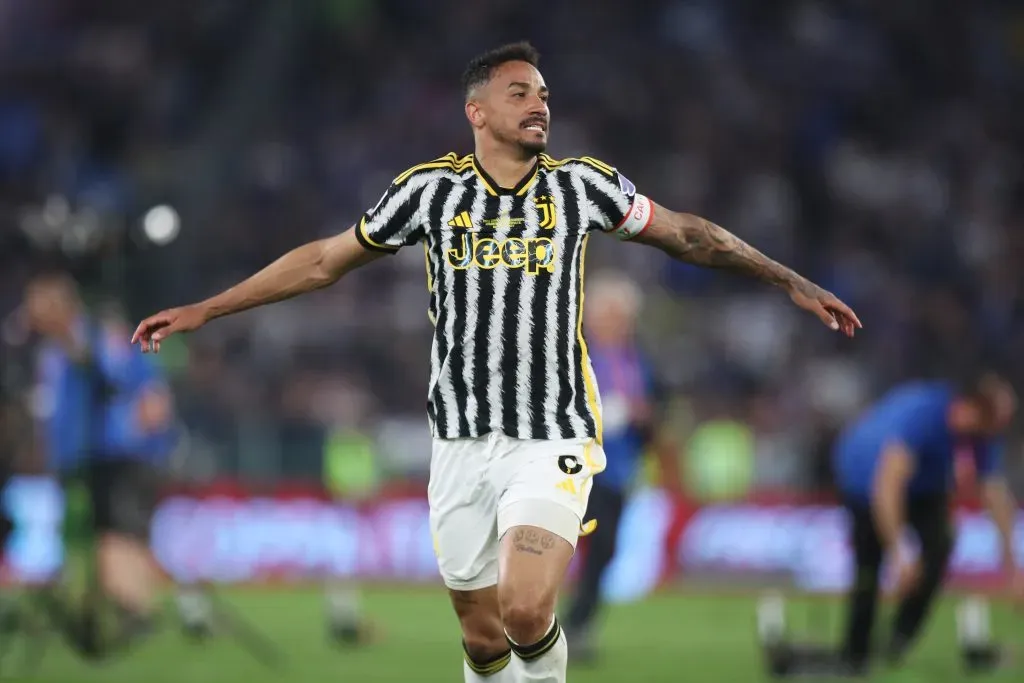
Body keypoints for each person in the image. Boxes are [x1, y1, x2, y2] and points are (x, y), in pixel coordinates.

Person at [131, 41, 860, 683]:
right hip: (459, 445)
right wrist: (208, 308)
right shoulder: (429, 193)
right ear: (477, 112)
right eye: (521, 93)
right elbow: (325, 260)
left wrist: (788, 278)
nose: (539, 105)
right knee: (482, 638)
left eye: (544, 94)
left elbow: (691, 235)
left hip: (553, 436)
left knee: (524, 605)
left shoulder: (582, 187)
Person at [24, 271, 177, 657]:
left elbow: (133, 386)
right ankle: (116, 608)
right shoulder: (53, 352)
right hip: (78, 459)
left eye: (39, 306)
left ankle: (136, 611)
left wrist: (144, 439)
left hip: (113, 455)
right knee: (97, 536)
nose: (32, 316)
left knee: (116, 533)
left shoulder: (96, 339)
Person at [832, 373, 1022, 675]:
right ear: (972, 408)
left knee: (940, 543)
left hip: (923, 486)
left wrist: (1013, 571)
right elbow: (887, 487)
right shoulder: (923, 417)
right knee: (869, 564)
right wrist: (900, 551)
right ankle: (856, 652)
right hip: (864, 482)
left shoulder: (979, 433)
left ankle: (899, 636)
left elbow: (995, 495)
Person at [560, 271, 671, 663]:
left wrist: (645, 418)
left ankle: (575, 627)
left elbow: (656, 408)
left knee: (603, 552)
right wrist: (610, 415)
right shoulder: (575, 353)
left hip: (620, 469)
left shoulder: (637, 358)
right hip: (577, 468)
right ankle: (553, 627)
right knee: (560, 546)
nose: (616, 321)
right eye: (609, 313)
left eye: (621, 314)